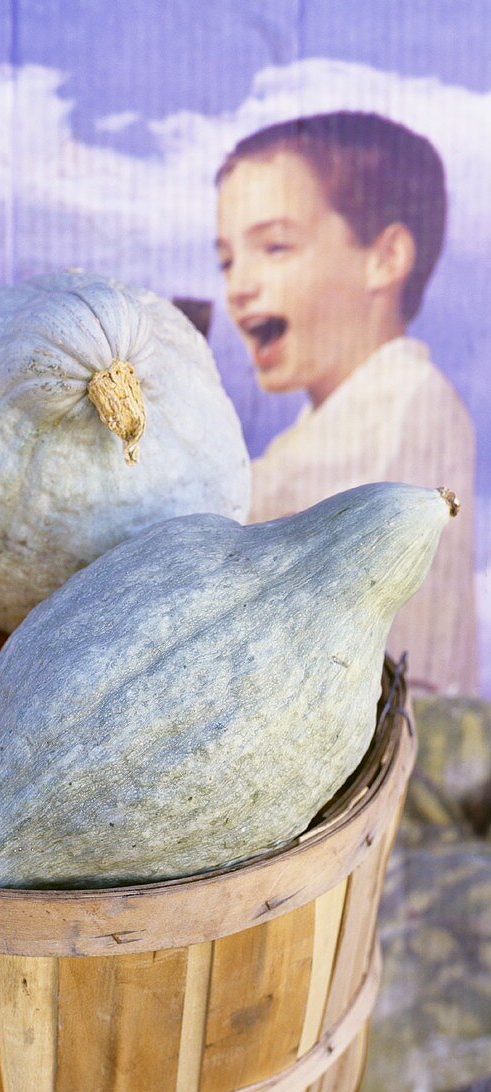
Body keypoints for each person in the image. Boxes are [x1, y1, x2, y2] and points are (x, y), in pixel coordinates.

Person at [214, 111, 477, 695]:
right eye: (227, 260)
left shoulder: (401, 402)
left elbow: (232, 535)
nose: (237, 286)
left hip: (395, 753)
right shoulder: (322, 424)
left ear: (384, 260)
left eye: (274, 247)